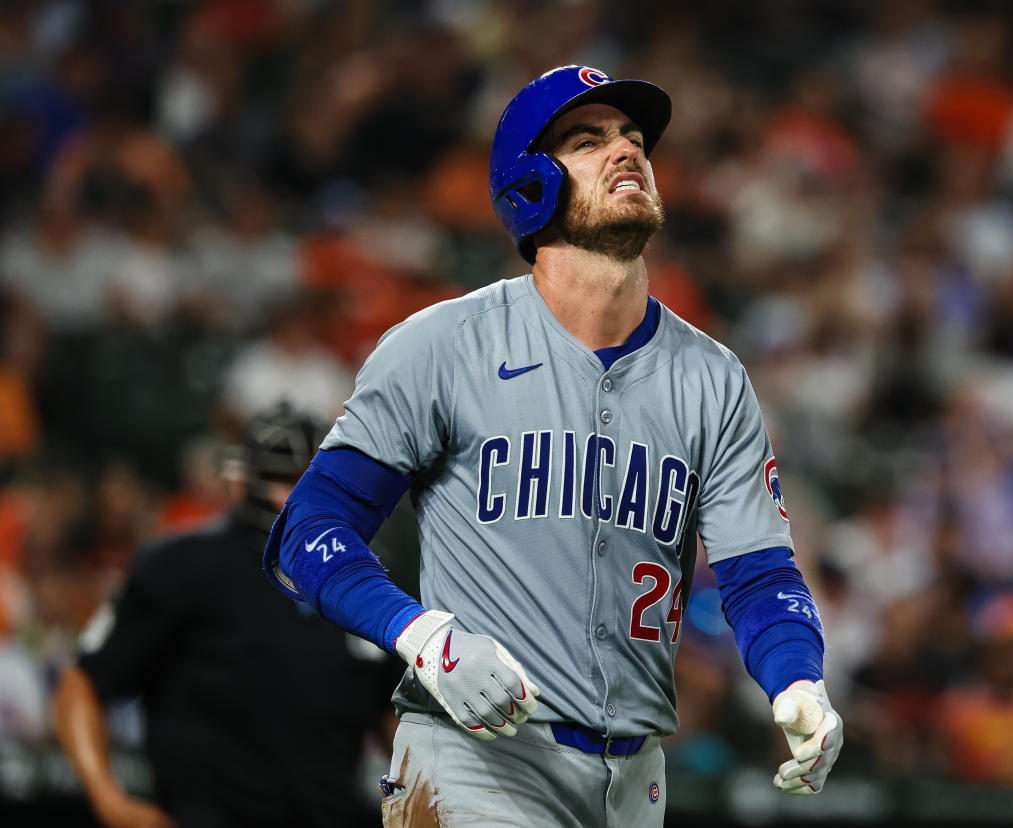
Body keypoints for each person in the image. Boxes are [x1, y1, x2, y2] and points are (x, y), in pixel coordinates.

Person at [263, 65, 844, 827]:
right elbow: (307, 534)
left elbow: (760, 573)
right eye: (588, 140)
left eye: (634, 138)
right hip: (475, 760)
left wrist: (798, 680)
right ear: (528, 183)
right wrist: (424, 637)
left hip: (636, 778)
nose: (627, 150)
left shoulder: (713, 377)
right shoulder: (445, 344)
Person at [54, 405, 405, 828]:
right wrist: (110, 801)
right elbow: (83, 684)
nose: (303, 495)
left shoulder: (367, 575)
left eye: (318, 479)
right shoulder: (182, 564)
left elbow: (395, 719)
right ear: (241, 481)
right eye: (286, 479)